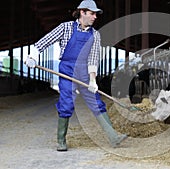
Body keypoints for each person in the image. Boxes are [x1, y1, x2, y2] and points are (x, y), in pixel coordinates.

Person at [25, 0, 127, 151]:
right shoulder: (65, 28)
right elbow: (44, 42)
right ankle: (61, 140)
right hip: (67, 71)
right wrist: (33, 56)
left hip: (85, 72)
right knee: (66, 104)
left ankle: (113, 137)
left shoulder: (95, 35)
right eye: (92, 13)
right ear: (82, 12)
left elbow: (93, 59)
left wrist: (93, 80)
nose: (95, 17)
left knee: (96, 103)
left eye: (95, 14)